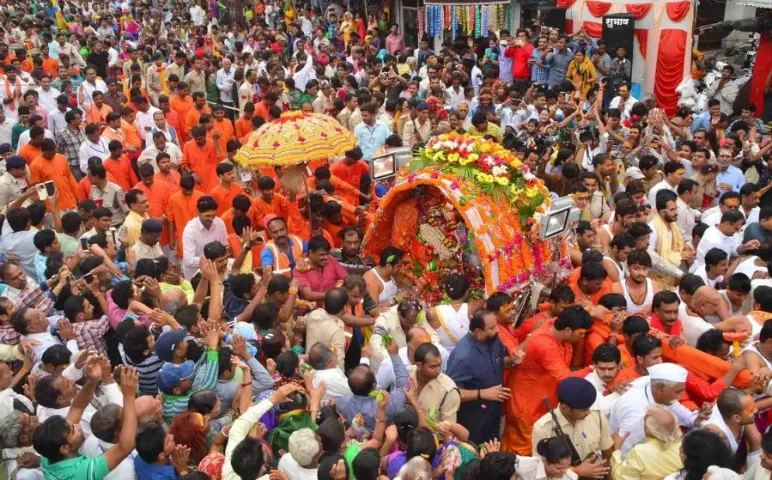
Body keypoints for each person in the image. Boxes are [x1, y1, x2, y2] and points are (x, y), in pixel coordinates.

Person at [502, 305, 592, 454]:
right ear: (567, 331)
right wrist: (590, 369)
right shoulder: (545, 345)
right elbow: (567, 379)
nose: (582, 337)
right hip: (528, 405)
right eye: (581, 333)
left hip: (543, 401)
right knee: (524, 450)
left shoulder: (556, 324)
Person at [610, 362, 705, 457]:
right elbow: (624, 453)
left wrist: (696, 420)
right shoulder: (637, 414)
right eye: (678, 392)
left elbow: (678, 410)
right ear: (660, 387)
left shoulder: (656, 386)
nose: (679, 396)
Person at [447, 308, 510, 445]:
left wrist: (512, 360)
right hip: (474, 421)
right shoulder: (463, 357)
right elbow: (452, 394)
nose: (497, 330)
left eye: (496, 325)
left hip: (493, 415)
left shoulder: (493, 340)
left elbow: (501, 359)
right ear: (478, 332)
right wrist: (482, 393)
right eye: (491, 328)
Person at [531, 377, 612, 477]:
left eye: (589, 408)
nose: (588, 412)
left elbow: (606, 450)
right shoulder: (543, 428)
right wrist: (576, 471)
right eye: (583, 410)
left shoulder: (597, 415)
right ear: (565, 408)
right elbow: (540, 468)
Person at [610, 406, 683, 480]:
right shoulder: (684, 446)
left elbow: (621, 478)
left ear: (647, 429)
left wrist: (616, 450)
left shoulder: (640, 452)